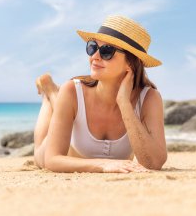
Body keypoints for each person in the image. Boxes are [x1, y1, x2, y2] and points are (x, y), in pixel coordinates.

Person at [33, 15, 167, 173]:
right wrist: (103, 164)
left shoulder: (149, 98)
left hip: (78, 137)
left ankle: (55, 94)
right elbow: (52, 160)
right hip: (71, 152)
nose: (94, 56)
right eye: (92, 47)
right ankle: (50, 94)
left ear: (130, 62)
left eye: (106, 51)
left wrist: (124, 103)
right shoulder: (72, 91)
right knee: (39, 156)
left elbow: (154, 163)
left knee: (63, 106)